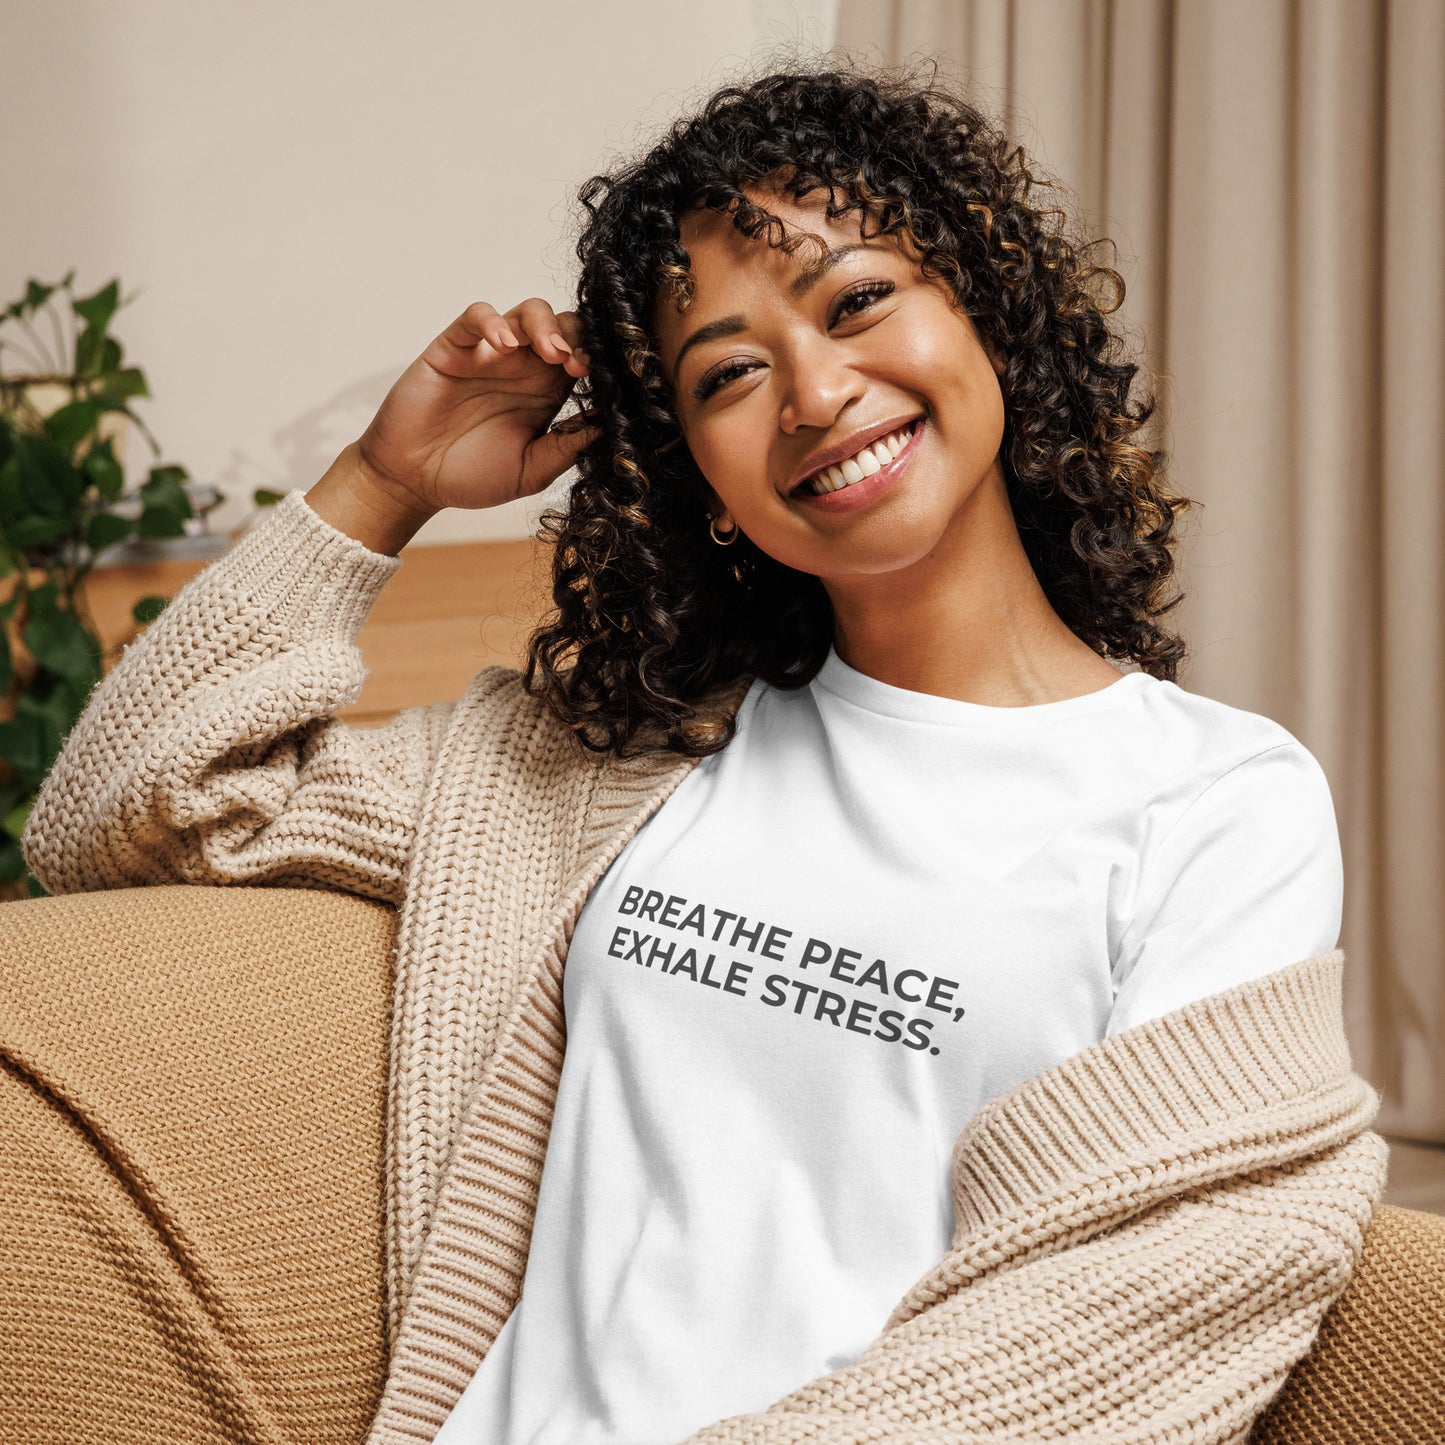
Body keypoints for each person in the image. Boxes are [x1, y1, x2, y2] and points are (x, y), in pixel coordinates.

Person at [14, 60, 1385, 1445]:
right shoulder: (611, 764)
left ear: (987, 315)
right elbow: (128, 812)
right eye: (728, 372)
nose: (812, 390)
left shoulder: (1214, 800)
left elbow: (1134, 1305)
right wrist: (383, 483)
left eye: (857, 301)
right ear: (702, 480)